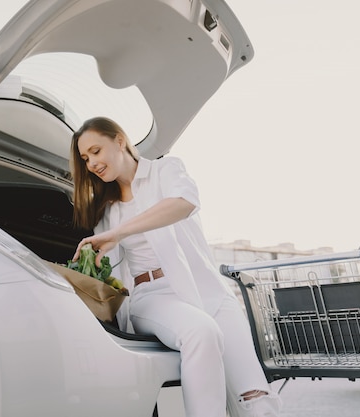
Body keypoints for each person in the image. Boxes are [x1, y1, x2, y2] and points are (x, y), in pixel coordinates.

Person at [70, 117, 282, 417]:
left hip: (207, 289)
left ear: (119, 141)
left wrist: (118, 233)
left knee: (254, 395)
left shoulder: (165, 171)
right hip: (152, 297)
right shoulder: (106, 210)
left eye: (95, 151)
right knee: (201, 332)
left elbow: (184, 202)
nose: (91, 163)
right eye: (85, 158)